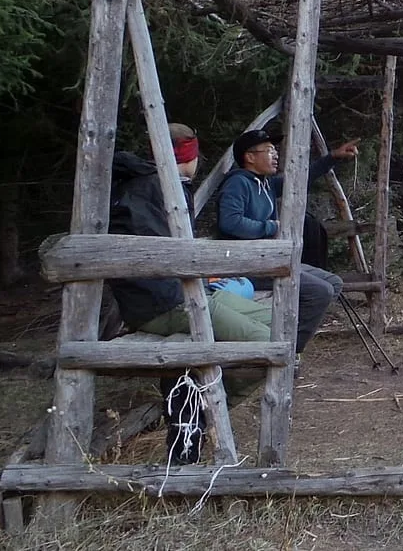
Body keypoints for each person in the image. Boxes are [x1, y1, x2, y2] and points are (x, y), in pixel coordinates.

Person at [107, 123, 271, 465]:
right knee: (268, 347)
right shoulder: (153, 188)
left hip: (184, 293)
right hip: (165, 303)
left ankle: (200, 406)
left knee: (282, 324)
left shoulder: (159, 186)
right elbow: (155, 259)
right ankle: (203, 410)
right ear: (189, 155)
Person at [218, 127, 357, 354]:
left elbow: (302, 179)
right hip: (245, 265)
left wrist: (332, 157)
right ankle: (288, 352)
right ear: (250, 157)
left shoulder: (266, 183)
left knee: (333, 283)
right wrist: (270, 226)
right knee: (320, 292)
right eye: (269, 150)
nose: (275, 155)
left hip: (268, 261)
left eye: (275, 150)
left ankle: (286, 341)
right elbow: (230, 222)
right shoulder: (238, 183)